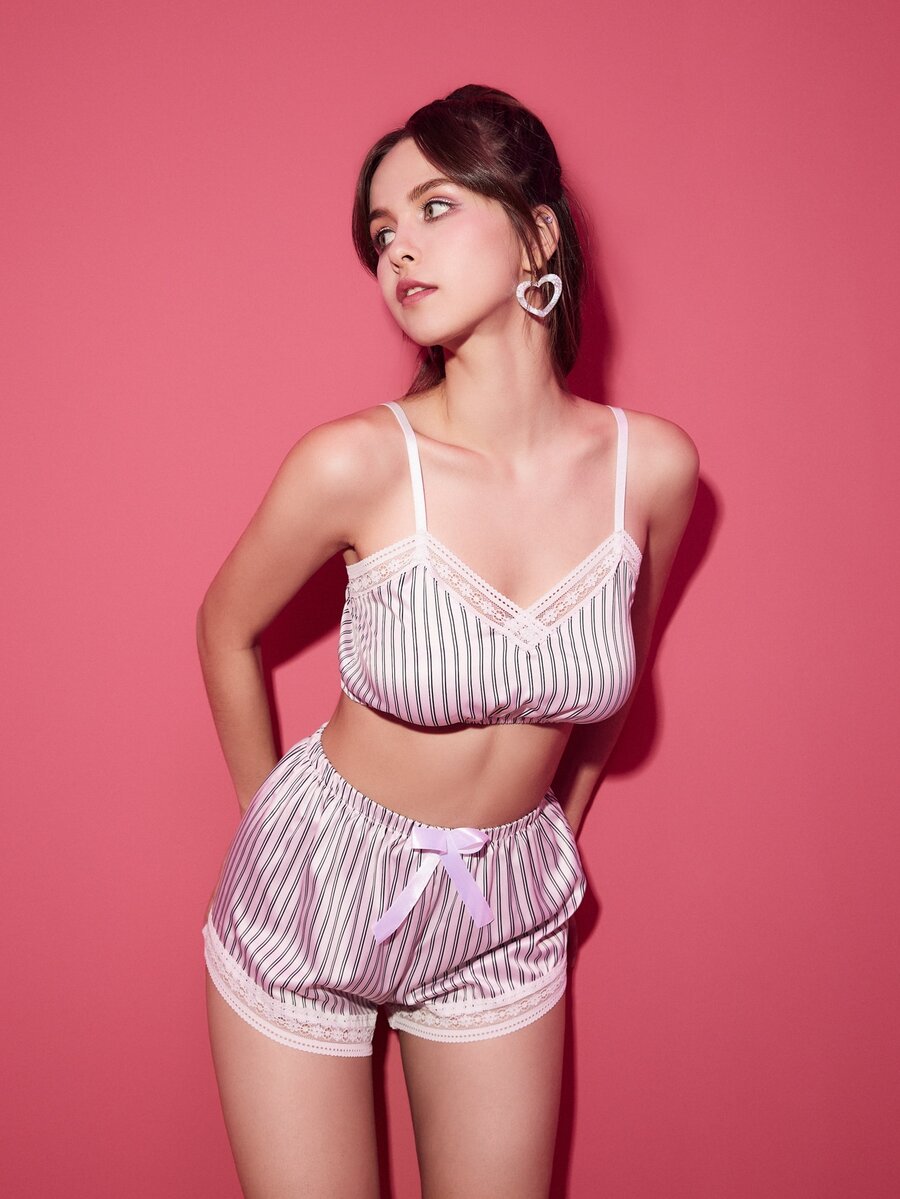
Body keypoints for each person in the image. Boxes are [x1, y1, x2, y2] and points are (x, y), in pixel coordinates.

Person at [198, 84, 699, 1199]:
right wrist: (268, 824)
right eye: (382, 231)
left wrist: (552, 835)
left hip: (503, 908)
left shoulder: (652, 469)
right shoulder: (356, 462)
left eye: (434, 207)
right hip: (316, 890)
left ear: (538, 233)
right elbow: (225, 625)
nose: (398, 251)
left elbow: (615, 679)